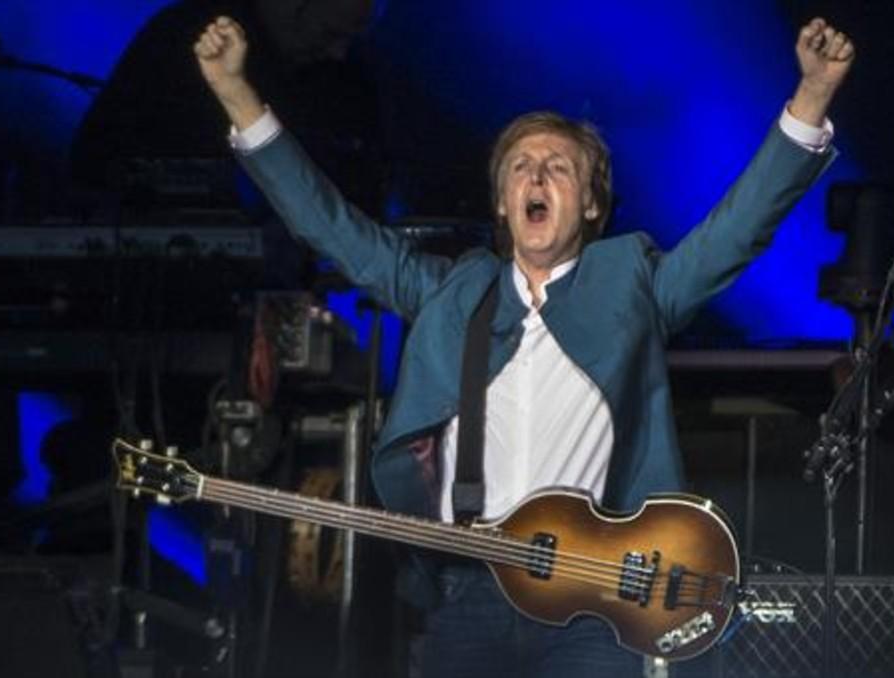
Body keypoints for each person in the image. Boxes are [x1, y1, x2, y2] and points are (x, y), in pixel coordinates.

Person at [195, 14, 853, 677]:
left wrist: (812, 98)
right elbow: (330, 226)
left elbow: (737, 230)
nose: (535, 177)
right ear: (504, 204)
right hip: (472, 592)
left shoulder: (629, 283)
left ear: (592, 204)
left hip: (597, 602)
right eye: (520, 168)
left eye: (558, 168)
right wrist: (235, 94)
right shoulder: (455, 293)